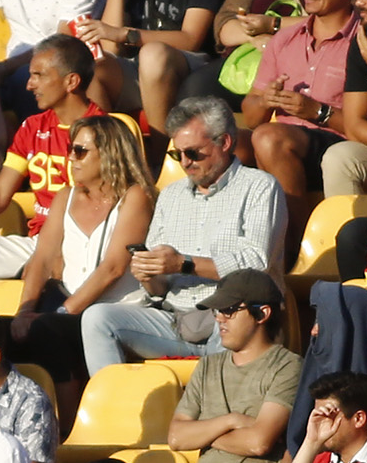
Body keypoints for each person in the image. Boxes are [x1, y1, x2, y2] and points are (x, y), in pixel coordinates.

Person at [78, 98, 284, 373]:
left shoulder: (259, 187)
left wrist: (184, 263)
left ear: (224, 143)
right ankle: (114, 410)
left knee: (239, 322)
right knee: (97, 318)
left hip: (233, 315)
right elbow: (159, 289)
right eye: (178, 155)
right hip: (173, 317)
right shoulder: (170, 196)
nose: (185, 162)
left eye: (194, 153)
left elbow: (256, 263)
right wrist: (148, 275)